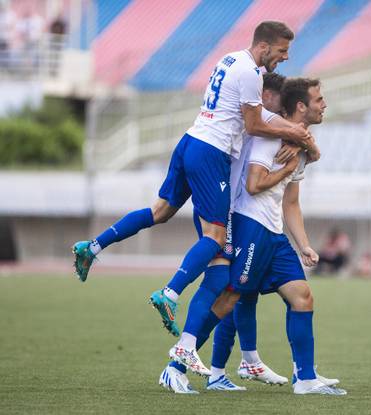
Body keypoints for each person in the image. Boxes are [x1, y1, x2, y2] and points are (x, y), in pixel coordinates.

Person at [71, 21, 310, 337]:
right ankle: (169, 294)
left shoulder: (229, 59)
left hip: (190, 141)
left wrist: (297, 135)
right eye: (282, 51)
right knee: (216, 236)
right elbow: (253, 125)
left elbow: (253, 116)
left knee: (160, 211)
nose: (285, 58)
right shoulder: (251, 73)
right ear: (264, 47)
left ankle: (93, 247)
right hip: (212, 152)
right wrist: (292, 130)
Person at [168, 78, 346, 395]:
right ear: (301, 107)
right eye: (319, 99)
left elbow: (290, 201)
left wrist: (303, 244)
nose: (324, 104)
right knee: (231, 297)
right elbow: (253, 184)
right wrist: (293, 158)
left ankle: (305, 379)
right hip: (250, 225)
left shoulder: (301, 145)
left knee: (302, 296)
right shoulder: (271, 138)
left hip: (274, 233)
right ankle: (178, 365)